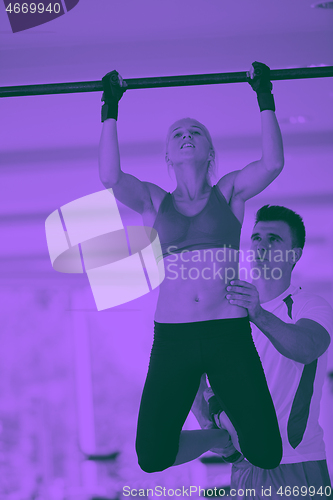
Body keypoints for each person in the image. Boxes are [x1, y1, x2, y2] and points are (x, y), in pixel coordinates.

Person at [98, 62, 285, 473]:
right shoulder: (154, 200)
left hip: (228, 335)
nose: (186, 136)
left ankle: (231, 430)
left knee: (267, 452)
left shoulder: (229, 192)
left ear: (209, 151)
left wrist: (264, 97)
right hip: (174, 341)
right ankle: (220, 436)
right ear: (167, 153)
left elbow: (271, 164)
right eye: (177, 134)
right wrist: (110, 108)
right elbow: (110, 176)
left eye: (195, 132)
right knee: (152, 456)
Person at [193, 205, 333, 499]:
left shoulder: (310, 305)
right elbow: (193, 374)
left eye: (274, 239)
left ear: (294, 254)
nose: (261, 245)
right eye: (256, 237)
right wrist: (211, 425)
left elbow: (307, 349)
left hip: (298, 463)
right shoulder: (225, 312)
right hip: (245, 467)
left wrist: (257, 313)